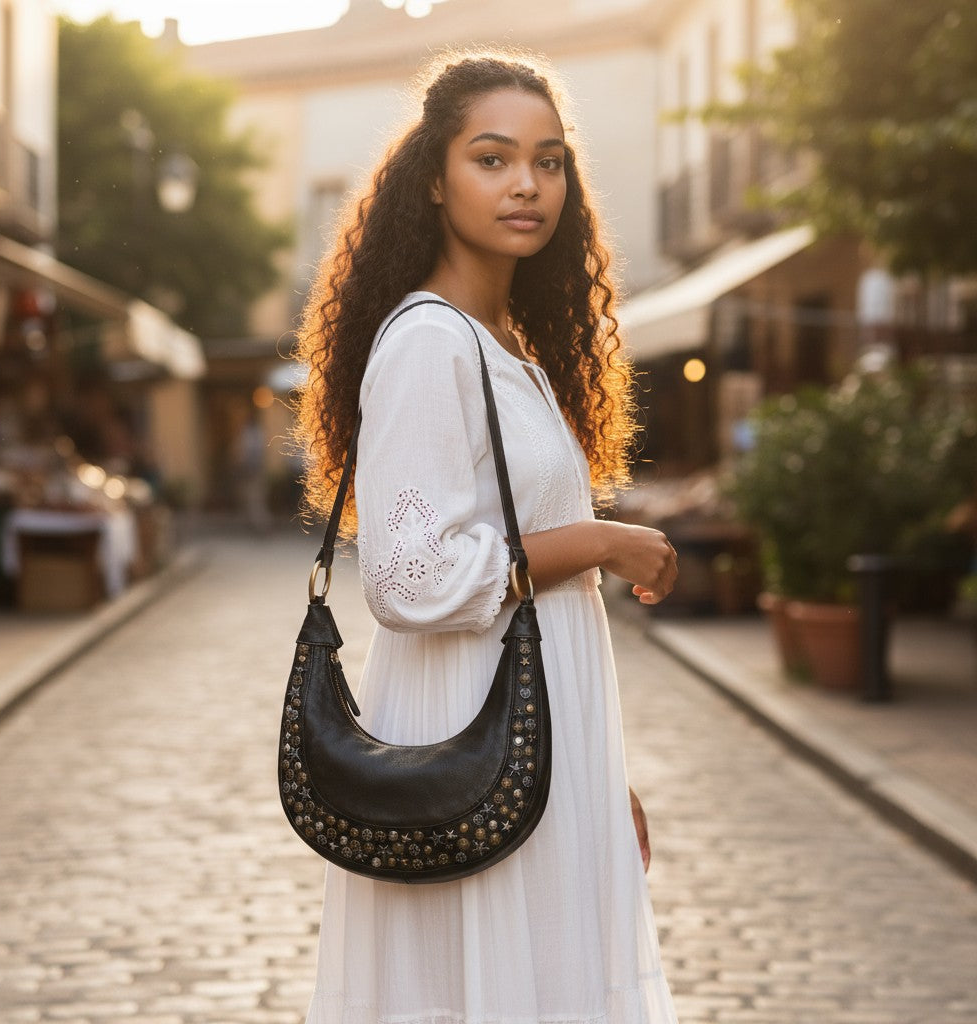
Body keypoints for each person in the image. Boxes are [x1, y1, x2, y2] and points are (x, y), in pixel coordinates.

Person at [293, 51, 680, 1024]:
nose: (526, 184)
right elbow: (410, 574)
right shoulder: (430, 342)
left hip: (534, 736)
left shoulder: (507, 343)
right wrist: (600, 540)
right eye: (493, 157)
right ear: (434, 176)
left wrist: (597, 770)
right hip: (465, 728)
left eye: (548, 162)